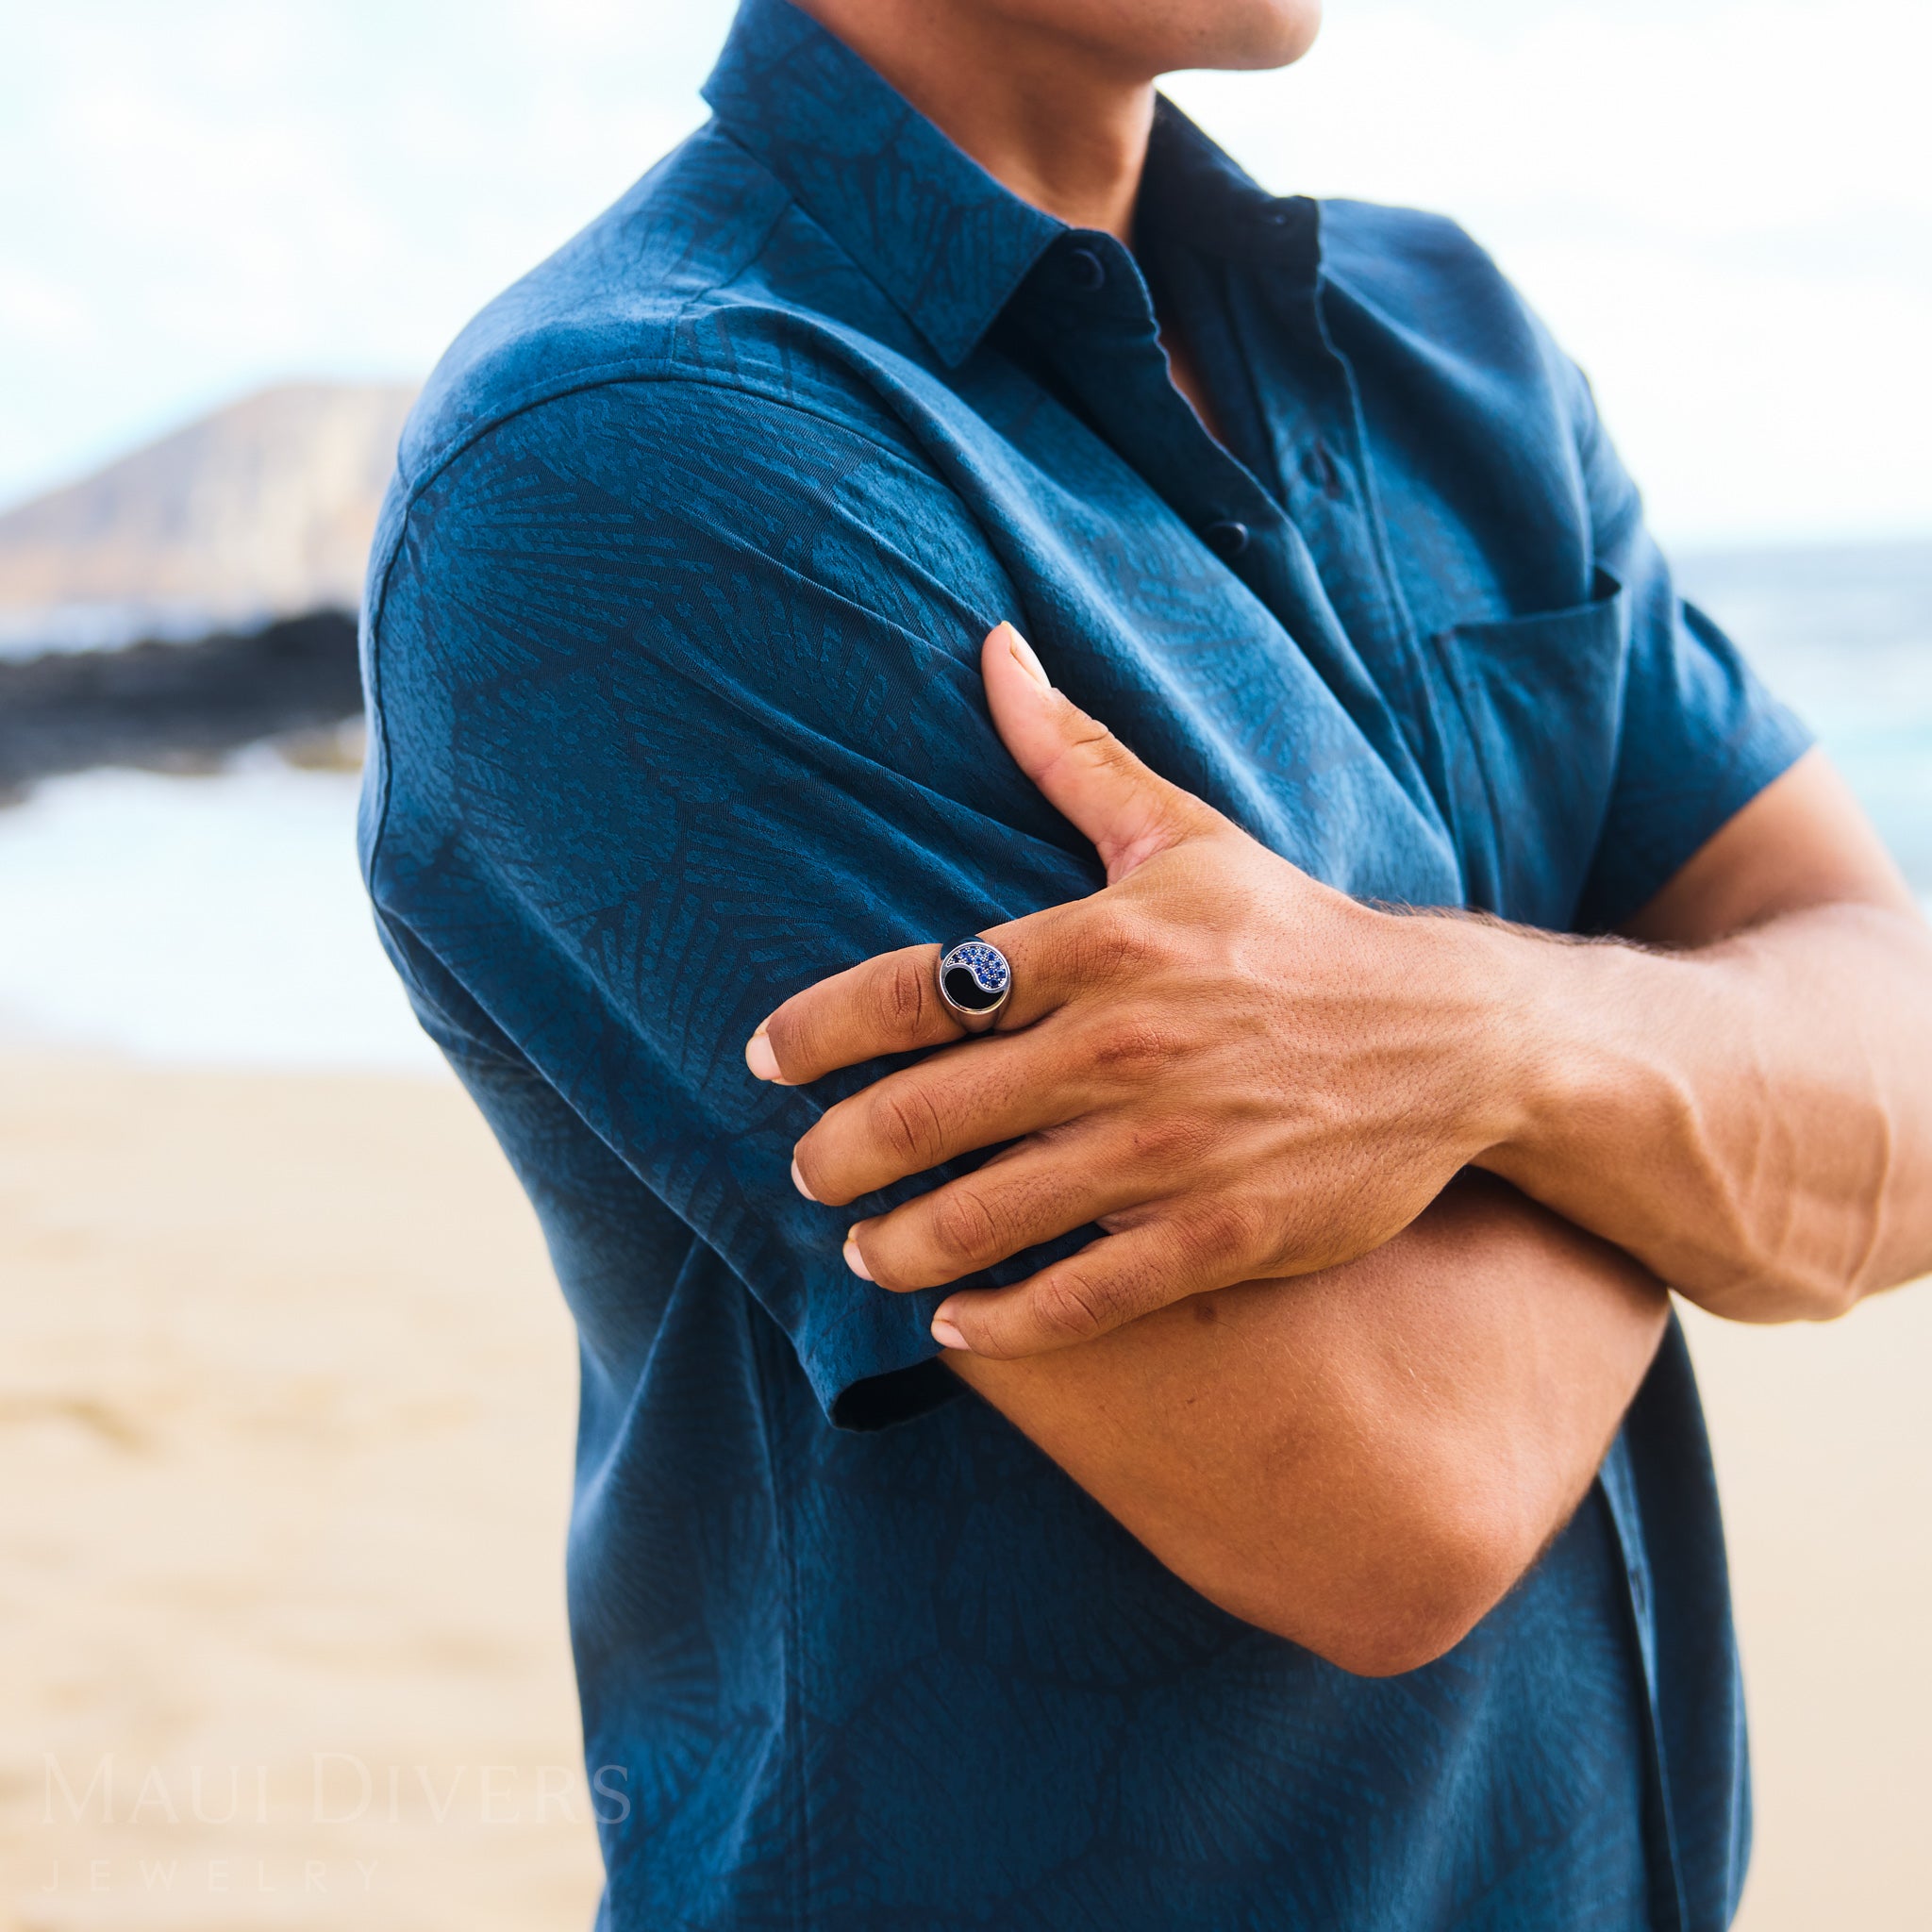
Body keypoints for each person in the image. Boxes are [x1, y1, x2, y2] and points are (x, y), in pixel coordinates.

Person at [358, 0, 1932, 1924]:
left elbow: (1913, 1088)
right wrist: (1701, 1080)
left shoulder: (1450, 341)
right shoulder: (631, 459)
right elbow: (1390, 1494)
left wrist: (1484, 1036)